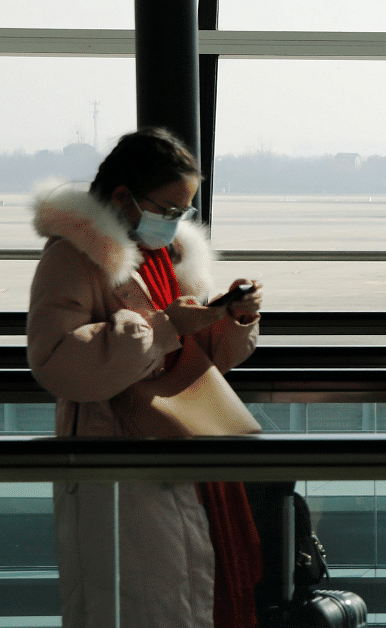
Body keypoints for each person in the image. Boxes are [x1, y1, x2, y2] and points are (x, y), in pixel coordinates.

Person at [26, 127, 265, 628]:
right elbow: (55, 361)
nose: (176, 222)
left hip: (180, 445)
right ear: (123, 197)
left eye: (185, 211)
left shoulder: (166, 256)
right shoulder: (72, 257)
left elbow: (195, 355)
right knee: (136, 601)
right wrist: (162, 328)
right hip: (115, 457)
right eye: (170, 208)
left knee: (189, 592)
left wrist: (230, 317)